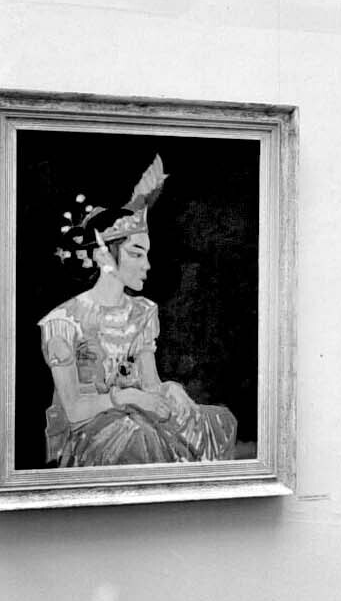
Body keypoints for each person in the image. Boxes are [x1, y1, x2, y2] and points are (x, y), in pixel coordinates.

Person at [38, 156, 238, 466]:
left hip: (138, 415)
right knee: (139, 438)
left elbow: (150, 383)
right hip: (90, 433)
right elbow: (74, 411)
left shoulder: (143, 311)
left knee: (218, 421)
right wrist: (129, 397)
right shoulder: (63, 322)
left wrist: (170, 390)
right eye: (136, 253)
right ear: (103, 256)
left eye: (147, 254)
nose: (146, 265)